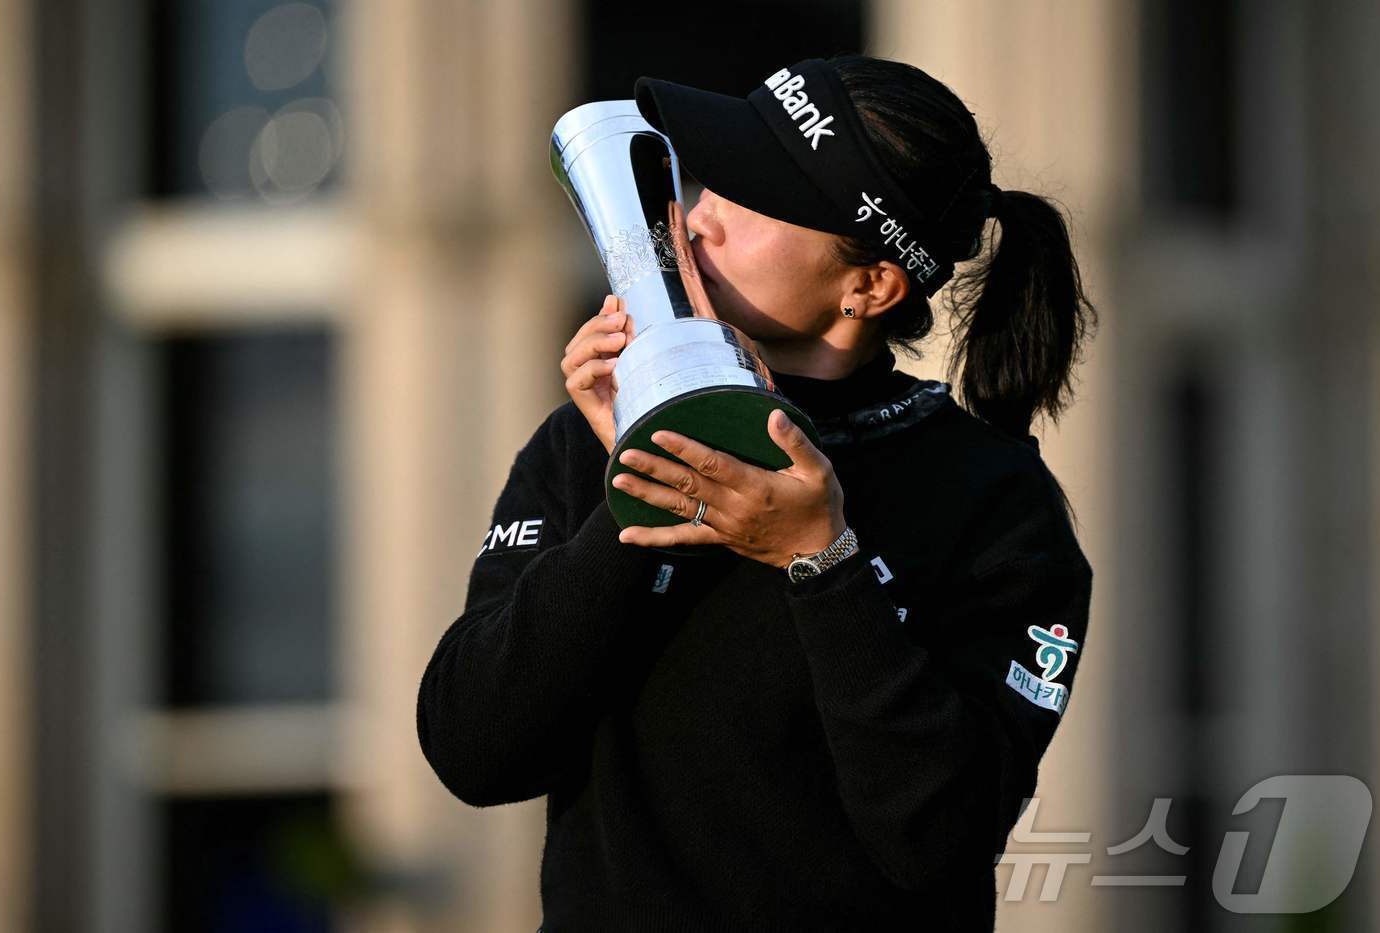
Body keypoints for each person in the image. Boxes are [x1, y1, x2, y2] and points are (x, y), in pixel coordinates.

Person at [418, 54, 1098, 932]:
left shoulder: (998, 504)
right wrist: (640, 486)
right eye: (710, 179)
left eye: (753, 196)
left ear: (870, 285)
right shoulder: (586, 438)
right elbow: (473, 750)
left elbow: (939, 841)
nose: (698, 217)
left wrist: (825, 559)